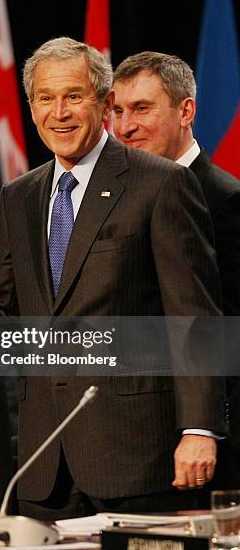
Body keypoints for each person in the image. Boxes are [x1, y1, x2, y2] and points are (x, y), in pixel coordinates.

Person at [0, 37, 226, 517]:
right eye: (45, 98)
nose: (59, 112)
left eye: (73, 96)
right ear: (32, 107)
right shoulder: (18, 196)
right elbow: (3, 313)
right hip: (44, 462)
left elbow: (193, 314)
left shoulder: (160, 183)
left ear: (103, 105)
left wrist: (199, 430)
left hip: (138, 455)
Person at [112, 51, 240, 489]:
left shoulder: (224, 200)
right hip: (130, 438)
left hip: (206, 448)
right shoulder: (115, 198)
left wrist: (203, 431)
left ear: (186, 111)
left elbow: (224, 333)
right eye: (117, 110)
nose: (125, 127)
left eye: (142, 108)